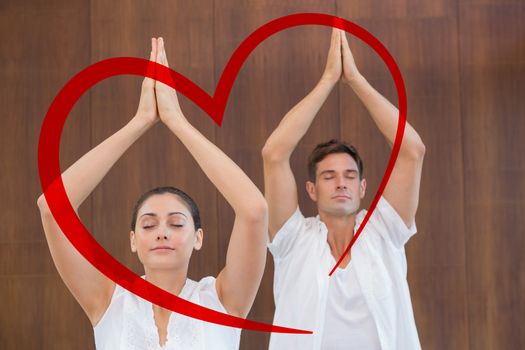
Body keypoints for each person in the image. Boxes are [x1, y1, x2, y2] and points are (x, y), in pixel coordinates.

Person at [37, 37, 268, 349]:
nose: (162, 233)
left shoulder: (222, 300)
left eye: (176, 223)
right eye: (148, 225)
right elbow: (52, 207)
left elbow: (254, 210)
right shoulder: (107, 300)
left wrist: (177, 121)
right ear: (133, 240)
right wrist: (140, 121)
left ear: (198, 237)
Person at [262, 28, 425, 349]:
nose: (340, 182)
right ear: (311, 189)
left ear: (363, 187)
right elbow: (274, 153)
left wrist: (354, 80)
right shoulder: (292, 240)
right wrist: (327, 81)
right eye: (329, 176)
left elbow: (412, 150)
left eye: (350, 175)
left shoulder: (384, 231)